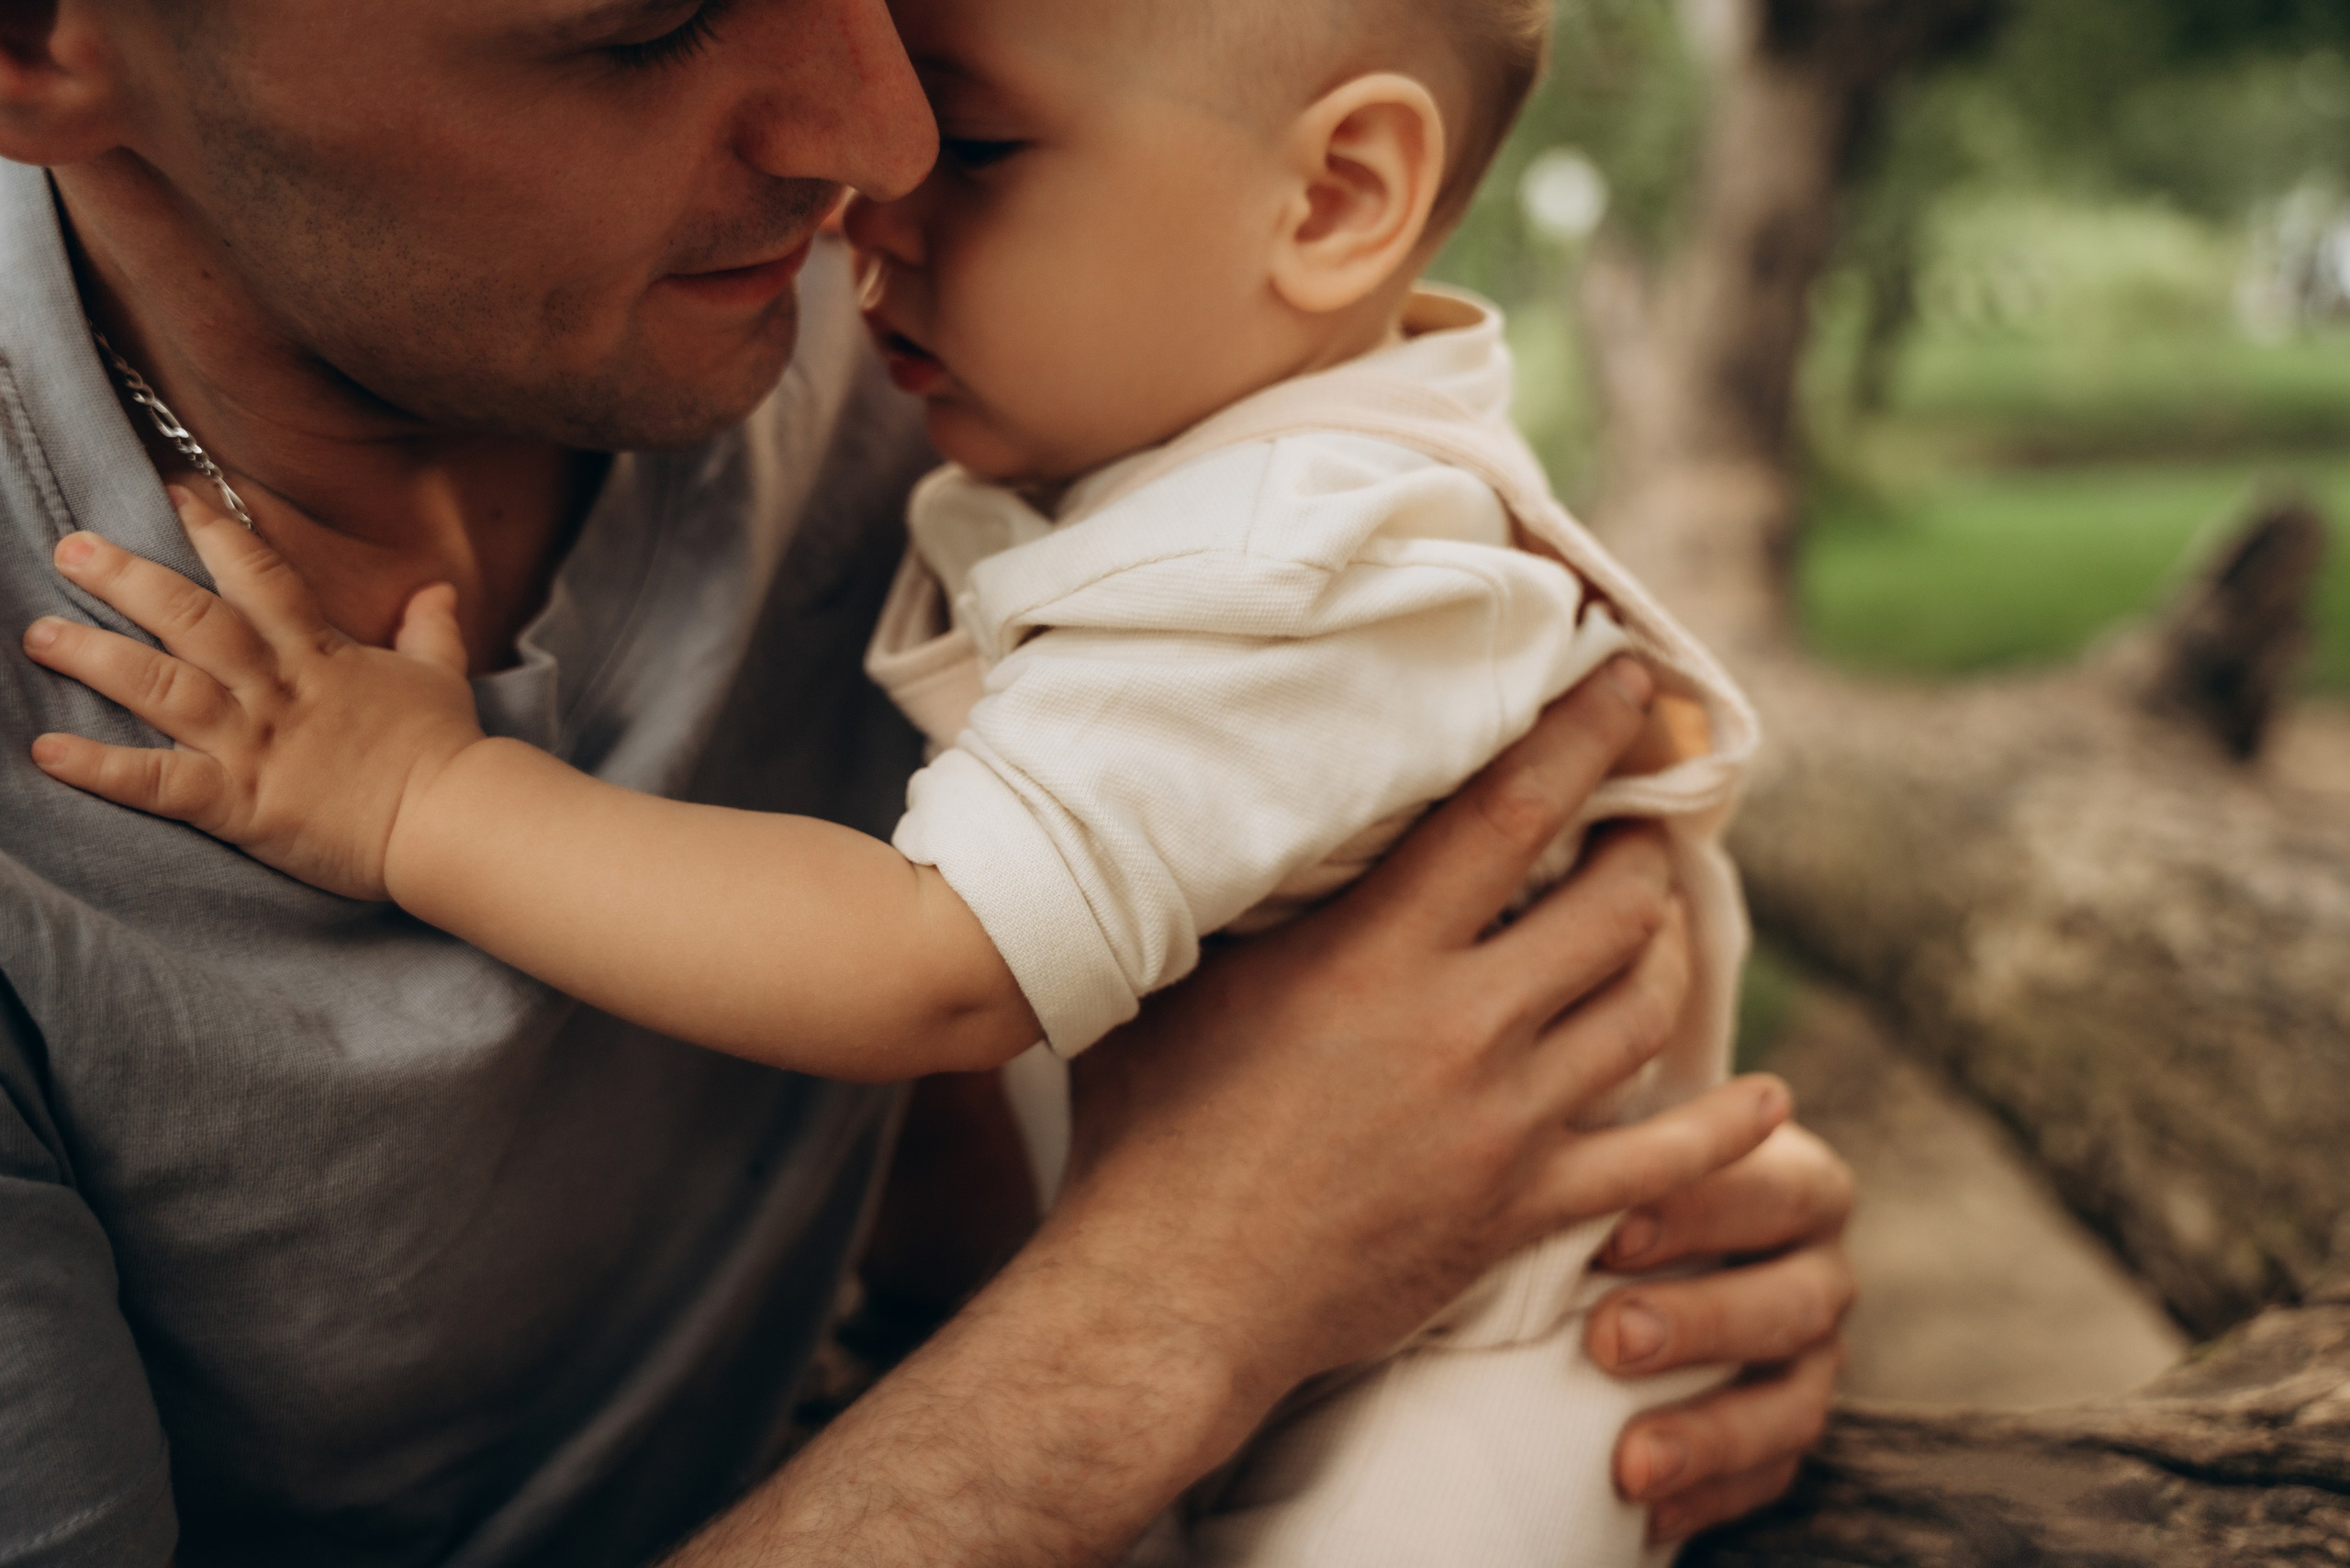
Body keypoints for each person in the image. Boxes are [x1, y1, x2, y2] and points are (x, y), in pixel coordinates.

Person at [0, 3, 1855, 1565]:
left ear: (1338, 196)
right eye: (645, 20)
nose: (875, 151)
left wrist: (421, 802)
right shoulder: (1017, 323)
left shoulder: (1195, 480)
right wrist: (1174, 1294)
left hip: (1488, 1352)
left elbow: (937, 967)